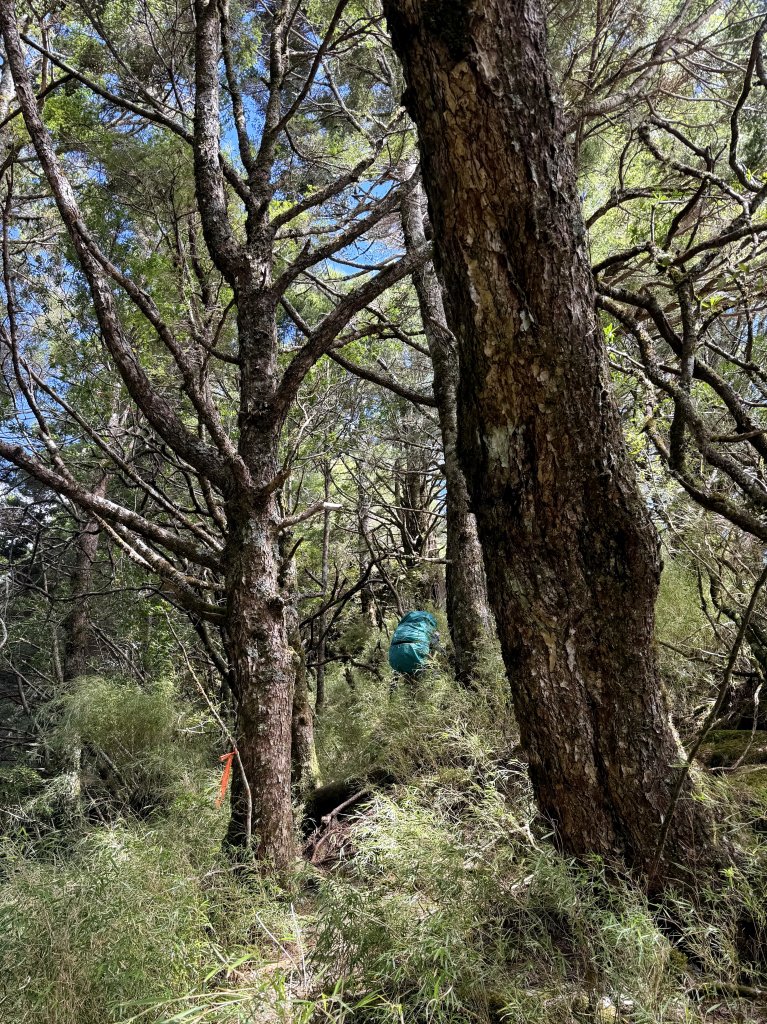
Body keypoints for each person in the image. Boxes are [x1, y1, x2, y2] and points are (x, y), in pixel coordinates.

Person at [388, 610, 439, 679]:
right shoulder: (426, 626)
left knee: (402, 665)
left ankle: (395, 684)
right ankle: (435, 676)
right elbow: (434, 645)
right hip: (415, 657)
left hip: (394, 660)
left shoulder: (401, 627)